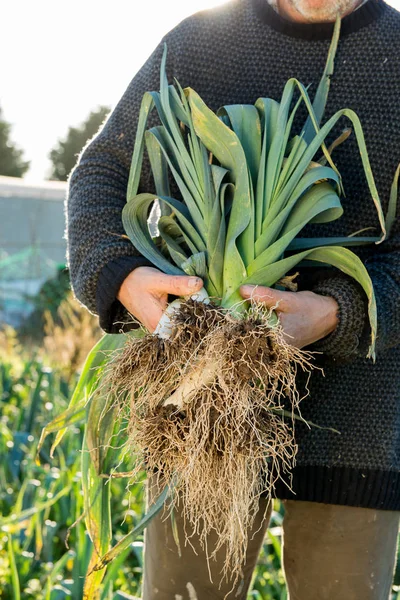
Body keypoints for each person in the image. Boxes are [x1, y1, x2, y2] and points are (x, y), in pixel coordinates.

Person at [66, 0, 400, 598]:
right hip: (196, 409)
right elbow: (102, 172)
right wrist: (120, 276)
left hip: (360, 424)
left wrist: (337, 313)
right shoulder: (200, 41)